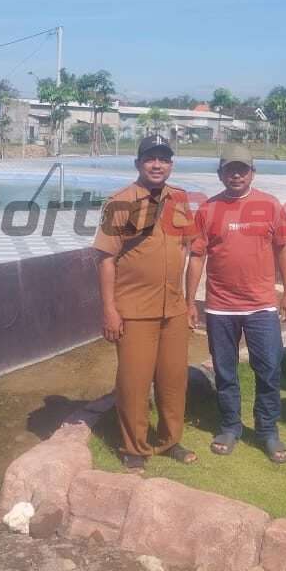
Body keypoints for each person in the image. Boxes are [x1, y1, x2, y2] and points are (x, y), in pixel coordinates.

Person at [93, 134, 198, 470]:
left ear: (171, 164)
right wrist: (110, 309)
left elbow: (188, 245)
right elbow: (105, 258)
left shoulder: (179, 199)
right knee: (134, 383)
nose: (157, 164)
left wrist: (188, 299)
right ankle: (134, 447)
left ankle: (170, 441)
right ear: (138, 163)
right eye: (151, 158)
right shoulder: (119, 202)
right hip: (135, 309)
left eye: (164, 159)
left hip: (173, 307)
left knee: (173, 379)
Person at [185, 145, 286, 464]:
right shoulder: (207, 210)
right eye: (230, 169)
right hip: (220, 307)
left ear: (252, 172)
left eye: (242, 169)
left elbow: (283, 250)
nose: (236, 175)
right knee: (225, 371)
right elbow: (196, 257)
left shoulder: (270, 206)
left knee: (270, 369)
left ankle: (267, 430)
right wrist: (190, 301)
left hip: (261, 305)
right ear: (220, 174)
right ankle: (231, 426)